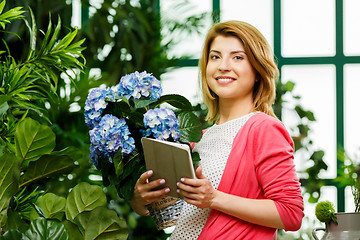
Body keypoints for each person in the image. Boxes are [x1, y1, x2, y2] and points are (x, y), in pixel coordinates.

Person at [131, 20, 304, 239]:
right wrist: (141, 200)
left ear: (258, 70)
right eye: (215, 56)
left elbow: (291, 213)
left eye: (238, 57)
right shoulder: (199, 139)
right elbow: (169, 212)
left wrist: (214, 199)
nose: (223, 65)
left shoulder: (264, 128)